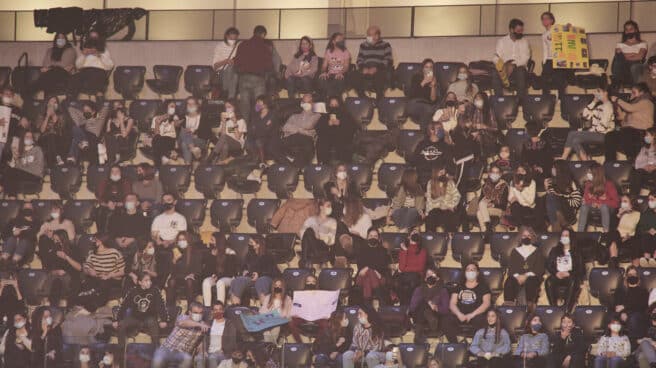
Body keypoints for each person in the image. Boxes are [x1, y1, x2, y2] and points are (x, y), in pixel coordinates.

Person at [114, 272, 168, 349]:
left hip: (149, 317)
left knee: (153, 323)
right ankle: (121, 351)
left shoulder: (155, 291)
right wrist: (117, 320)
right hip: (135, 318)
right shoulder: (133, 291)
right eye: (146, 280)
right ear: (140, 282)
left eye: (149, 280)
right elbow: (123, 306)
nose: (149, 282)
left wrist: (164, 320)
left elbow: (161, 306)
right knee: (121, 325)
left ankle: (156, 350)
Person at [561, 87, 615, 160]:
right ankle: (586, 162)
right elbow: (585, 115)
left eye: (599, 91)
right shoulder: (600, 106)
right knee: (575, 141)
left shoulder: (608, 106)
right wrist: (594, 101)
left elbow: (603, 127)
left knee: (572, 134)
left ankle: (563, 159)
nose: (596, 93)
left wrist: (587, 131)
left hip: (604, 135)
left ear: (605, 93)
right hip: (597, 133)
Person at [443, 262, 492, 343]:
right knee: (446, 320)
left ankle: (474, 345)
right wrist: (459, 314)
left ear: (478, 272)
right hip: (460, 314)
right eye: (468, 270)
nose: (470, 272)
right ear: (465, 273)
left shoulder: (484, 287)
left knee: (481, 320)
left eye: (473, 269)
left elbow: (486, 303)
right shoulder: (459, 286)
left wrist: (472, 315)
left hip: (476, 315)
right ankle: (455, 345)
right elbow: (452, 303)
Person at [606, 83, 655, 162]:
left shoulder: (647, 102)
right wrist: (616, 105)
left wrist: (618, 100)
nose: (631, 94)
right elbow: (621, 117)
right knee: (610, 136)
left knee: (627, 134)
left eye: (634, 92)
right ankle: (610, 163)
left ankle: (632, 160)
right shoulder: (633, 103)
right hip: (629, 131)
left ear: (641, 93)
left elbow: (630, 108)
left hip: (641, 132)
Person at [234, 25, 273, 121]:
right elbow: (269, 66)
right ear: (263, 34)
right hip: (258, 79)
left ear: (254, 32)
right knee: (259, 104)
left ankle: (246, 127)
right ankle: (257, 124)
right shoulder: (265, 47)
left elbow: (236, 63)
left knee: (245, 105)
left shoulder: (242, 44)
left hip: (244, 78)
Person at [152, 302, 209, 368]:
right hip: (167, 349)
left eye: (200, 313)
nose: (198, 315)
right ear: (190, 312)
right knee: (158, 357)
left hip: (182, 353)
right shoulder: (182, 317)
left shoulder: (203, 326)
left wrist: (202, 351)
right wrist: (199, 324)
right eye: (195, 313)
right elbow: (183, 323)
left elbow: (201, 343)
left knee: (188, 359)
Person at [503, 227, 545, 310]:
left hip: (532, 277)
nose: (526, 237)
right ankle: (509, 307)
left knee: (531, 281)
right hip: (517, 278)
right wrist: (517, 276)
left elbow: (539, 268)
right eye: (524, 235)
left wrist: (526, 276)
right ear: (520, 237)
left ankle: (530, 307)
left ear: (532, 237)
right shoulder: (515, 251)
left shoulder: (538, 251)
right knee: (509, 281)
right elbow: (511, 268)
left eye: (528, 235)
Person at [229, 236, 279, 305]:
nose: (249, 244)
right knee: (238, 281)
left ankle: (265, 309)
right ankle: (236, 309)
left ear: (258, 244)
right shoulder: (249, 255)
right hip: (251, 278)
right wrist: (244, 271)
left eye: (251, 242)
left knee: (261, 281)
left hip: (265, 277)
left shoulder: (268, 255)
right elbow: (243, 266)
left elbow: (272, 271)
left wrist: (259, 274)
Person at [276, 93, 321, 167]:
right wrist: (300, 130)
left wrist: (294, 127)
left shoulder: (317, 115)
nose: (306, 104)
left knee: (307, 146)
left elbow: (308, 125)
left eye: (309, 102)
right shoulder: (294, 116)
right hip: (292, 137)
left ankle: (293, 167)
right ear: (301, 103)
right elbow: (285, 127)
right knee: (273, 145)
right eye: (304, 102)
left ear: (312, 103)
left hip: (306, 138)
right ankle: (290, 166)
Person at [545, 229, 584, 312]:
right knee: (548, 281)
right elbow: (549, 265)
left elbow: (580, 268)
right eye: (563, 235)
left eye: (566, 236)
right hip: (557, 275)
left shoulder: (576, 251)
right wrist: (556, 273)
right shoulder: (555, 250)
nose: (564, 237)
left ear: (571, 238)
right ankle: (553, 308)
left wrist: (569, 273)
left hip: (570, 276)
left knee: (573, 281)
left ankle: (567, 309)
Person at [38, 229, 81, 305]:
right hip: (56, 277)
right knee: (55, 281)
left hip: (71, 277)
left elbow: (79, 268)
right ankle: (49, 304)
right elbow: (48, 269)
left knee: (57, 282)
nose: (55, 242)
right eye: (54, 240)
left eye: (57, 240)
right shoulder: (54, 251)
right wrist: (55, 271)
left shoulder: (74, 249)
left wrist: (66, 257)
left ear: (63, 239)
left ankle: (52, 305)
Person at [68, 30, 114, 98]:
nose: (93, 40)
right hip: (85, 72)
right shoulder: (85, 50)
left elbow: (110, 66)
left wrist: (100, 55)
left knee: (95, 78)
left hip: (99, 72)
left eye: (95, 37)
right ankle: (72, 101)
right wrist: (84, 55)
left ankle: (99, 97)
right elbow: (77, 65)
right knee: (74, 78)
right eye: (91, 37)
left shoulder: (104, 50)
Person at [409, 268, 449, 343]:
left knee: (423, 307)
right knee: (422, 305)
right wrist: (428, 303)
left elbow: (445, 309)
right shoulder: (419, 289)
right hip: (423, 317)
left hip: (436, 316)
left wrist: (436, 308)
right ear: (425, 278)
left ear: (437, 278)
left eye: (432, 275)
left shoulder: (443, 291)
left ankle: (417, 337)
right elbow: (412, 307)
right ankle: (429, 316)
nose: (430, 277)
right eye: (428, 275)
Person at [493, 19, 531, 98]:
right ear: (511, 29)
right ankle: (499, 100)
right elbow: (496, 57)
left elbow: (525, 58)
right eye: (518, 30)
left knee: (520, 72)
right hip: (504, 68)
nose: (520, 32)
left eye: (521, 30)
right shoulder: (502, 41)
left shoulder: (525, 41)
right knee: (495, 73)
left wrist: (514, 65)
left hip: (518, 68)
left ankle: (520, 100)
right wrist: (504, 66)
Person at [165, 232, 205, 306]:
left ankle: (190, 307)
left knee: (189, 281)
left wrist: (193, 274)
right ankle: (169, 307)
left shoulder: (195, 252)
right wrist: (174, 260)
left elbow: (198, 268)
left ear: (188, 240)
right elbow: (171, 271)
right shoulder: (174, 251)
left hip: (190, 277)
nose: (181, 241)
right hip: (178, 276)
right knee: (171, 281)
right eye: (179, 240)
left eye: (183, 239)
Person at [201, 232, 241, 306]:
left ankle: (220, 307)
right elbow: (207, 270)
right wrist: (213, 274)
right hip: (216, 277)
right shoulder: (211, 252)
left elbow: (231, 271)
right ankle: (207, 307)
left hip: (229, 278)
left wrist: (218, 276)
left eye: (212, 240)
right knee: (206, 282)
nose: (210, 242)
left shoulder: (230, 252)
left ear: (218, 241)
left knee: (220, 282)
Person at [578, 163, 619, 233]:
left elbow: (616, 203)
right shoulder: (588, 183)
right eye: (588, 172)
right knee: (584, 206)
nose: (588, 174)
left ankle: (606, 232)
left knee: (604, 207)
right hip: (593, 206)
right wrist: (593, 202)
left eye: (590, 172)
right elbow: (586, 199)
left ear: (596, 174)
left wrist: (600, 202)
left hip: (607, 207)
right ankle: (579, 232)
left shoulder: (609, 184)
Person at [354, 25, 393, 99]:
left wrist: (376, 68)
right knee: (354, 75)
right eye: (368, 35)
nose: (368, 36)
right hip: (366, 66)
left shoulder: (385, 45)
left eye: (370, 35)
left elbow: (388, 60)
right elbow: (359, 60)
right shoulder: (363, 45)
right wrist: (363, 68)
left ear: (377, 35)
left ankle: (379, 98)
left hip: (379, 67)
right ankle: (362, 97)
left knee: (381, 76)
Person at [411, 121, 455, 187]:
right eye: (439, 128)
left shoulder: (445, 146)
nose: (441, 130)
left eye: (441, 128)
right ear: (431, 130)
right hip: (423, 178)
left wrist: (445, 172)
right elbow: (415, 160)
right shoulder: (422, 144)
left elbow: (450, 164)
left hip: (437, 179)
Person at [108, 193, 148, 263]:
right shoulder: (117, 217)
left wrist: (132, 239)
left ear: (137, 203)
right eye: (127, 200)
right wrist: (117, 239)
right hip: (118, 243)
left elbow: (144, 233)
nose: (129, 201)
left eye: (131, 199)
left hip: (134, 244)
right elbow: (112, 231)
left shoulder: (142, 218)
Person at [612, 266, 649, 342]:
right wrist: (622, 313)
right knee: (610, 317)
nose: (632, 276)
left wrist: (624, 307)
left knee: (633, 318)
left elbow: (642, 306)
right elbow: (616, 306)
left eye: (634, 274)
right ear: (626, 277)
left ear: (638, 277)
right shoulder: (620, 291)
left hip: (637, 315)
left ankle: (634, 344)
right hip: (623, 315)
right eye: (630, 274)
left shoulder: (643, 291)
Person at [66, 99, 109, 164]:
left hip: (93, 138)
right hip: (83, 139)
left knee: (75, 139)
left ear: (93, 112)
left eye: (88, 110)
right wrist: (83, 113)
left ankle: (72, 156)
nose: (86, 112)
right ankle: (83, 143)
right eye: (84, 111)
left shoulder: (99, 120)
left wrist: (99, 99)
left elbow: (106, 108)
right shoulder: (81, 120)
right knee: (75, 129)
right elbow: (70, 109)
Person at [316, 96, 357, 164]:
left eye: (336, 105)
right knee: (321, 143)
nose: (334, 107)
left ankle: (343, 164)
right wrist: (327, 124)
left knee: (344, 143)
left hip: (342, 137)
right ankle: (323, 164)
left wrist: (340, 123)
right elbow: (318, 129)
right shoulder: (324, 116)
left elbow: (353, 127)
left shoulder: (346, 115)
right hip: (327, 138)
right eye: (332, 105)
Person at [3, 131, 44, 198]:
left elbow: (38, 170)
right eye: (26, 136)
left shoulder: (37, 150)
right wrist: (15, 160)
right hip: (24, 175)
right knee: (8, 169)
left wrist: (17, 167)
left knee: (11, 171)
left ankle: (4, 190)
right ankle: (12, 197)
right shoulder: (22, 153)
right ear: (23, 139)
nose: (28, 138)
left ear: (33, 140)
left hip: (35, 176)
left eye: (30, 137)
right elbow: (18, 167)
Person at [355, 228, 392, 302]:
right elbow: (360, 266)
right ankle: (381, 296)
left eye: (375, 236)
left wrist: (368, 268)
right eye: (371, 236)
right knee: (370, 273)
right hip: (362, 276)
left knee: (368, 278)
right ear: (367, 237)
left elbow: (382, 265)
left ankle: (367, 303)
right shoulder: (361, 249)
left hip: (380, 277)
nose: (373, 238)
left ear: (378, 239)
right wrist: (372, 270)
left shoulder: (382, 250)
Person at [544, 160, 581, 231]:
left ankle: (556, 226)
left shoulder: (571, 183)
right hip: (557, 213)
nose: (552, 170)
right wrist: (546, 188)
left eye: (554, 168)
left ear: (560, 169)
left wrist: (561, 198)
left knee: (553, 198)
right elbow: (550, 201)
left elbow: (577, 202)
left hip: (569, 213)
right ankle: (561, 225)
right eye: (552, 168)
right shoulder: (552, 182)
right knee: (549, 197)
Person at [300, 199, 338, 267]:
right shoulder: (310, 219)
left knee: (309, 232)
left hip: (323, 245)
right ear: (321, 207)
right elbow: (302, 234)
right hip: (310, 246)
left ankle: (304, 260)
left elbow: (332, 240)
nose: (330, 208)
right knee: (308, 231)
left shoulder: (332, 221)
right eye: (328, 206)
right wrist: (313, 237)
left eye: (331, 206)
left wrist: (320, 237)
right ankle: (315, 254)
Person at [95, 164, 132, 234]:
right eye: (112, 172)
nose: (115, 173)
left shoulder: (126, 182)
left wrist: (118, 204)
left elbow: (128, 197)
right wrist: (107, 204)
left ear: (121, 173)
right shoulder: (104, 182)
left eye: (117, 171)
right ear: (109, 173)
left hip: (121, 206)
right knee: (99, 212)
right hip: (106, 205)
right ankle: (102, 234)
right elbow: (100, 197)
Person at [540, 12, 569, 97]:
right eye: (543, 19)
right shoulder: (544, 35)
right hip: (549, 60)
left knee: (560, 80)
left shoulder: (558, 29)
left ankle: (562, 99)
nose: (544, 21)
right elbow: (545, 49)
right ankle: (545, 100)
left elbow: (568, 30)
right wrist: (544, 62)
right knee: (544, 79)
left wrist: (568, 27)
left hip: (560, 59)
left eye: (546, 18)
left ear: (551, 20)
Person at [1, 202, 38, 270]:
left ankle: (14, 262)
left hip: (27, 247)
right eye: (25, 208)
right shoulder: (13, 221)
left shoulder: (36, 222)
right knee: (12, 239)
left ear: (33, 209)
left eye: (29, 207)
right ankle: (3, 261)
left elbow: (33, 236)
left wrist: (19, 236)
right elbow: (4, 235)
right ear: (22, 209)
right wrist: (13, 234)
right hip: (10, 246)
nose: (27, 209)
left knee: (23, 241)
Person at [607, 195, 640, 268]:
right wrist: (619, 215)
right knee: (613, 234)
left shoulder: (638, 214)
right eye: (622, 201)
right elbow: (611, 227)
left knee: (637, 242)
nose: (622, 203)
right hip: (617, 238)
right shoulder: (617, 212)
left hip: (630, 239)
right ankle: (613, 264)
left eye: (625, 201)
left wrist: (629, 237)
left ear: (631, 203)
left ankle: (635, 268)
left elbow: (639, 231)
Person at [424, 166, 462, 232]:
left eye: (444, 172)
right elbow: (429, 200)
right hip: (435, 209)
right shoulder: (430, 183)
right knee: (431, 216)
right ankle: (431, 238)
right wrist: (428, 212)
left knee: (449, 217)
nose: (443, 174)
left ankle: (450, 238)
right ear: (436, 173)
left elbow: (457, 196)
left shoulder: (450, 182)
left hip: (448, 208)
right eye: (441, 172)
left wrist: (451, 205)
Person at [209, 99, 247, 163]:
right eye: (226, 107)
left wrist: (235, 123)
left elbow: (237, 137)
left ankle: (213, 155)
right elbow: (222, 135)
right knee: (224, 145)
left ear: (235, 108)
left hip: (237, 144)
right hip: (225, 141)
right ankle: (221, 163)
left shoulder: (241, 121)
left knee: (225, 137)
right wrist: (223, 122)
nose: (227, 109)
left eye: (229, 107)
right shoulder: (225, 120)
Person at [37, 96, 71, 168]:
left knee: (51, 136)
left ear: (57, 105)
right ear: (47, 104)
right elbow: (42, 130)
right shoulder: (41, 116)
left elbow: (61, 128)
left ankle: (51, 165)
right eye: (51, 101)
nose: (52, 104)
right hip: (44, 139)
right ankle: (57, 157)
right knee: (50, 136)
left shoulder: (61, 116)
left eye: (55, 102)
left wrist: (53, 115)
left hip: (58, 139)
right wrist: (47, 116)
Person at [612, 20, 647, 87]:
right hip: (622, 66)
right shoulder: (619, 44)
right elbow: (618, 56)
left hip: (635, 66)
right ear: (624, 31)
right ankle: (617, 87)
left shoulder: (643, 43)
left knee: (631, 64)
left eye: (631, 29)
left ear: (636, 30)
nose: (628, 31)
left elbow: (640, 57)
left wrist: (625, 55)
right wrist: (633, 54)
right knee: (618, 59)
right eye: (626, 29)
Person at [397, 230, 428, 305]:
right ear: (408, 237)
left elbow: (420, 268)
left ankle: (408, 308)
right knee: (400, 283)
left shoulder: (423, 251)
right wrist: (405, 251)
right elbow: (401, 267)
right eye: (413, 233)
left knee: (411, 281)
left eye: (417, 233)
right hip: (404, 276)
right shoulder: (403, 249)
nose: (415, 234)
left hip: (416, 276)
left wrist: (405, 269)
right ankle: (404, 308)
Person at [179, 97, 212, 164]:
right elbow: (179, 133)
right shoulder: (182, 117)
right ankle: (193, 149)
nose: (190, 105)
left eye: (193, 104)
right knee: (184, 132)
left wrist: (196, 135)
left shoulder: (203, 117)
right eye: (188, 104)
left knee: (184, 144)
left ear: (197, 105)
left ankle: (187, 166)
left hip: (199, 140)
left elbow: (209, 134)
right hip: (184, 139)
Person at [405, 58, 439, 126]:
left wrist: (433, 86)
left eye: (431, 67)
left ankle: (423, 134)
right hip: (414, 104)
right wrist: (424, 82)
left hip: (427, 105)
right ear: (423, 68)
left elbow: (433, 100)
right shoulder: (416, 77)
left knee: (427, 111)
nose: (429, 69)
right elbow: (412, 94)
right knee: (428, 110)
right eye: (426, 67)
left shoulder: (435, 80)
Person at [476, 164, 509, 233]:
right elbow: (480, 200)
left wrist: (492, 205)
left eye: (497, 173)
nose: (494, 174)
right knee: (480, 210)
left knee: (480, 210)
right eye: (493, 172)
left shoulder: (504, 186)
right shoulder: (485, 185)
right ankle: (486, 230)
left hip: (499, 209)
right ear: (490, 173)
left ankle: (486, 228)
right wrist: (485, 203)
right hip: (485, 208)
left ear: (500, 174)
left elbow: (504, 205)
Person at [193, 301, 227, 368]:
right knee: (200, 358)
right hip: (208, 351)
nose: (218, 312)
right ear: (212, 311)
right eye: (216, 310)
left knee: (212, 358)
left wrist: (223, 350)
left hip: (221, 352)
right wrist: (203, 350)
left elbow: (231, 340)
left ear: (223, 310)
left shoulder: (229, 324)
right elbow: (204, 338)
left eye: (220, 309)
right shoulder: (209, 323)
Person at [259, 278, 292, 343]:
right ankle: (271, 345)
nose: (277, 287)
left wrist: (282, 317)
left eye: (280, 286)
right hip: (269, 319)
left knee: (276, 325)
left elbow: (289, 314)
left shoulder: (287, 298)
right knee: (266, 330)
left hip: (280, 320)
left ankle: (270, 345)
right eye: (276, 285)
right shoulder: (268, 297)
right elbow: (262, 311)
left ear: (283, 288)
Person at [319, 32, 351, 99]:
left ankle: (332, 98)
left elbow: (346, 67)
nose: (341, 41)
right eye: (339, 39)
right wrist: (323, 72)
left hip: (342, 74)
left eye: (342, 39)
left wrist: (341, 72)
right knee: (322, 79)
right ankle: (332, 98)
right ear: (333, 41)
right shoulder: (328, 51)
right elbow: (324, 66)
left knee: (338, 80)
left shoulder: (346, 52)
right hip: (330, 74)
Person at [246, 95, 276, 167]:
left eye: (259, 102)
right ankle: (256, 160)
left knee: (259, 141)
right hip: (256, 135)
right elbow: (251, 127)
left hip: (269, 136)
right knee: (249, 141)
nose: (257, 104)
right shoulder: (256, 114)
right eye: (257, 102)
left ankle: (262, 162)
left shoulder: (272, 114)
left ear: (266, 103)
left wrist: (258, 128)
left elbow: (268, 128)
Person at [212, 27, 241, 99]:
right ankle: (229, 95)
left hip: (235, 72)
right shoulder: (219, 46)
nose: (233, 41)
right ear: (226, 36)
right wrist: (226, 61)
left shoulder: (239, 46)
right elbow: (215, 66)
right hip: (222, 73)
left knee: (234, 74)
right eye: (231, 39)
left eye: (235, 39)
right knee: (232, 71)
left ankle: (228, 94)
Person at [150, 101, 180, 167]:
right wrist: (158, 123)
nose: (173, 108)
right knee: (157, 139)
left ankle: (159, 164)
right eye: (172, 106)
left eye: (175, 107)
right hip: (158, 140)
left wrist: (170, 117)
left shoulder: (175, 118)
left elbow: (177, 126)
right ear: (166, 107)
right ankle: (166, 156)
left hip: (170, 140)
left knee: (157, 141)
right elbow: (156, 133)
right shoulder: (156, 118)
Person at [472, 92, 502, 156]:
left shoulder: (489, 110)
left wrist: (485, 127)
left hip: (489, 136)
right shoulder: (475, 110)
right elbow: (474, 125)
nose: (477, 101)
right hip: (478, 137)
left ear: (484, 100)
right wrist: (473, 126)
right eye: (476, 99)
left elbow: (495, 128)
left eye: (479, 99)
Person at [630, 127, 656, 195]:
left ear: (654, 136)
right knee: (637, 173)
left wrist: (654, 166)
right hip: (645, 171)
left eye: (647, 135)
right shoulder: (644, 148)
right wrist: (644, 166)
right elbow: (638, 161)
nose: (645, 137)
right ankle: (633, 197)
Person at [637, 192, 656, 266]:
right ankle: (646, 259)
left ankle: (655, 259)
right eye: (649, 200)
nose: (649, 202)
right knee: (646, 236)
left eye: (652, 199)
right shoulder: (646, 214)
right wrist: (648, 231)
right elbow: (640, 228)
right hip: (648, 237)